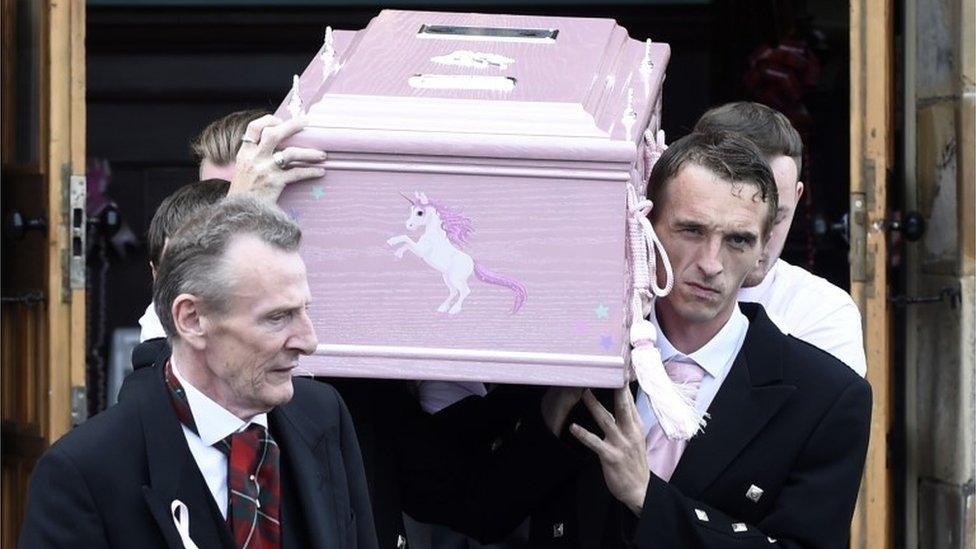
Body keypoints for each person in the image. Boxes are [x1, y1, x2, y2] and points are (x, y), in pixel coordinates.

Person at [478, 131, 872, 548]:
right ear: (647, 228)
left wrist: (648, 498)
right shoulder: (576, 357)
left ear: (762, 252)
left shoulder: (827, 397)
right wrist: (549, 416)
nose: (710, 263)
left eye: (738, 240)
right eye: (691, 230)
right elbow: (479, 510)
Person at [20, 196, 378, 548]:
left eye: (304, 310)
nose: (308, 340)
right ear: (191, 319)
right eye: (277, 317)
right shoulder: (84, 473)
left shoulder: (322, 415)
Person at [694, 102, 867, 376]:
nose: (758, 241)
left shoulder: (823, 313)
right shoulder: (647, 296)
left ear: (798, 197)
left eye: (775, 219)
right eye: (739, 226)